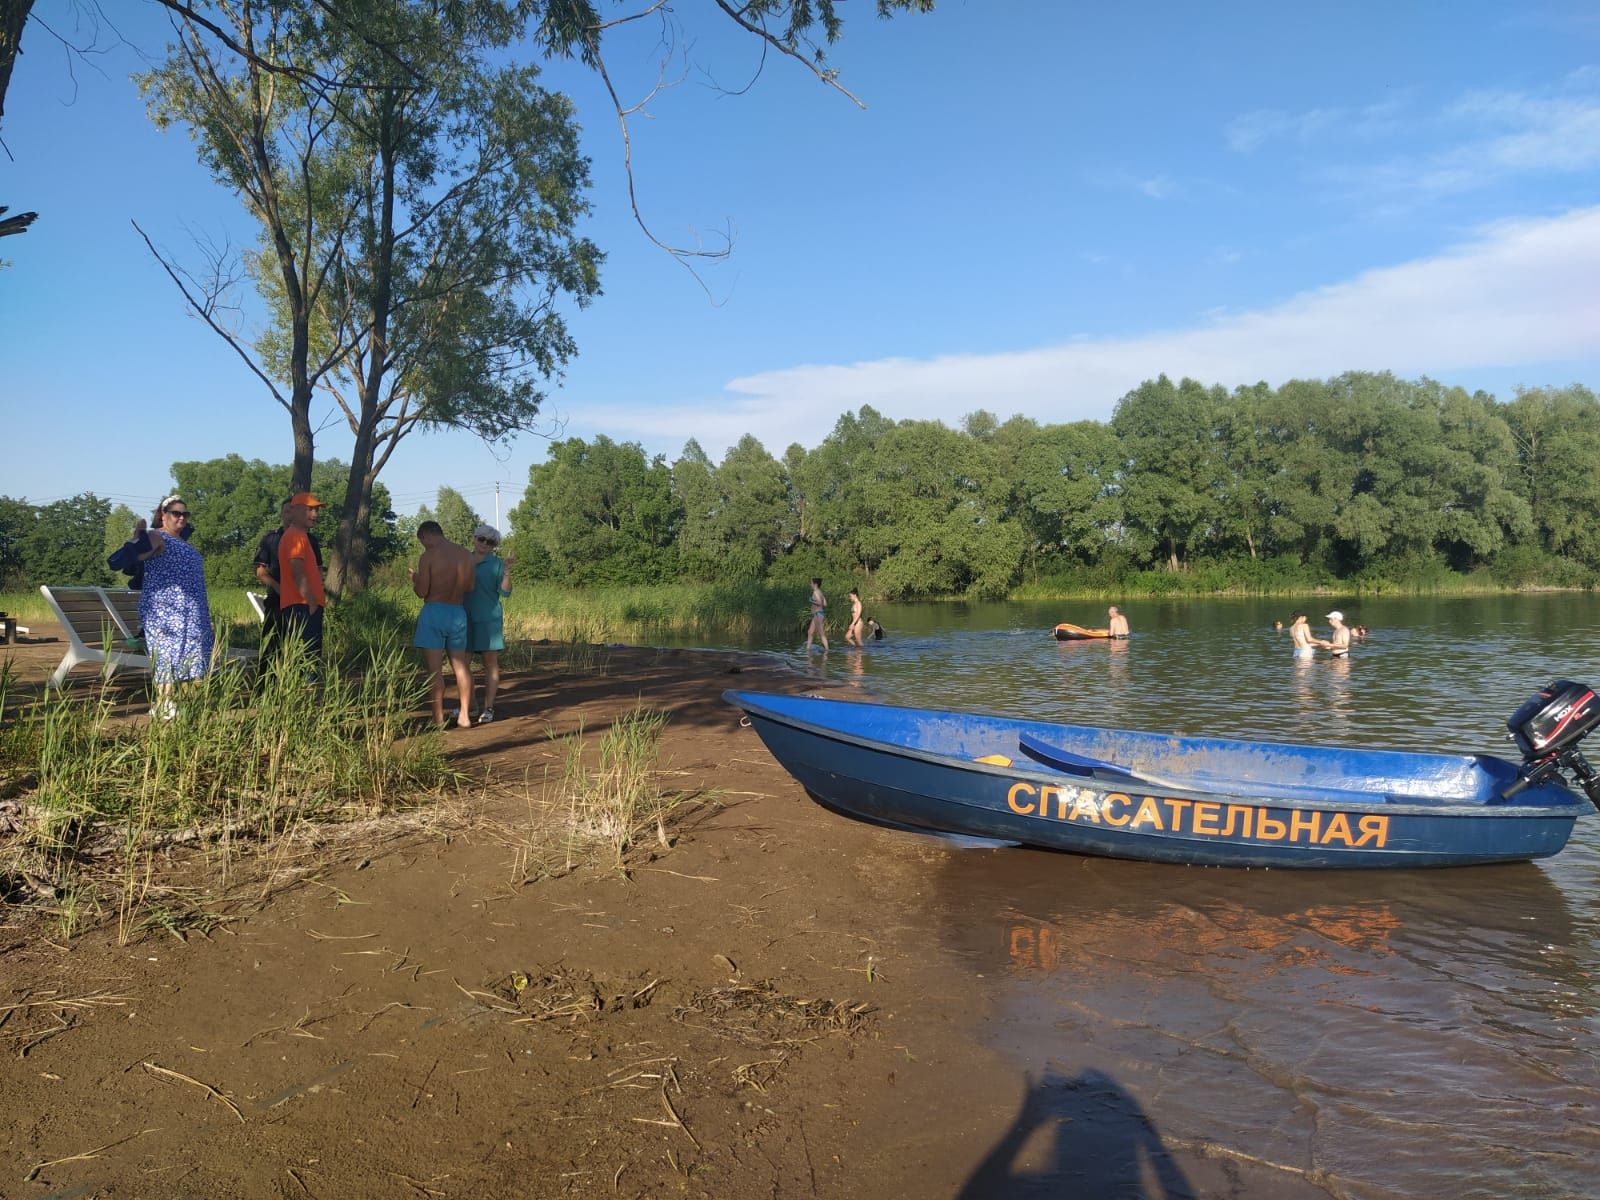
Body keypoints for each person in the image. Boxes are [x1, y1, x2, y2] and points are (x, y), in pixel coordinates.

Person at [135, 495, 213, 718]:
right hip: (165, 609)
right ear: (163, 516)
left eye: (184, 514)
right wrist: (137, 536)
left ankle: (181, 702)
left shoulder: (181, 541)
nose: (181, 517)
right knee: (167, 654)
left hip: (191, 608)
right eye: (175, 513)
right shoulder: (157, 536)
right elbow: (138, 554)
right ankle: (164, 702)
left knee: (192, 655)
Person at [410, 519, 476, 728]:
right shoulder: (465, 555)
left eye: (423, 541)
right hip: (458, 612)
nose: (423, 544)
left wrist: (415, 580)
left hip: (434, 612)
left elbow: (422, 591)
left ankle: (437, 718)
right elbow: (470, 587)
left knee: (435, 670)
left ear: (427, 535)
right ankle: (464, 715)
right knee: (461, 666)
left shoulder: (428, 556)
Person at [254, 498, 323, 670]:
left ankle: (296, 688)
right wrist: (280, 589)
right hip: (277, 602)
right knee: (271, 648)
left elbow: (318, 570)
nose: (290, 515)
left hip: (303, 604)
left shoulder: (310, 539)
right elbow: (260, 572)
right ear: (283, 514)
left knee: (303, 651)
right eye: (287, 511)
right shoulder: (270, 539)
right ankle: (265, 690)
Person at [465, 523, 514, 723]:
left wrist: (507, 571)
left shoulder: (496, 564)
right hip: (463, 618)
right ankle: (470, 705)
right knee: (462, 664)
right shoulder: (463, 559)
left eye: (491, 542)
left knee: (490, 664)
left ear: (494, 545)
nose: (485, 544)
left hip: (488, 619)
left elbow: (505, 592)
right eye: (481, 539)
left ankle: (489, 708)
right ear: (474, 538)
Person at [276, 492, 327, 676]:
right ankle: (307, 698)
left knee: (303, 658)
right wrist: (312, 602)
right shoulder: (295, 536)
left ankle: (301, 697)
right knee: (308, 660)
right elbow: (297, 573)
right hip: (302, 607)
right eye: (309, 509)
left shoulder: (300, 536)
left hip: (301, 606)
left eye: (316, 510)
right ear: (295, 510)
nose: (315, 514)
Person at [806, 578, 829, 653]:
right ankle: (808, 649)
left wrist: (811, 600)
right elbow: (825, 604)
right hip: (818, 614)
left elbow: (820, 603)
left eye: (811, 583)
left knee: (821, 633)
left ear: (815, 584)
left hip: (818, 614)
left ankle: (827, 650)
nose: (810, 585)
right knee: (810, 632)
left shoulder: (815, 592)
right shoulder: (820, 592)